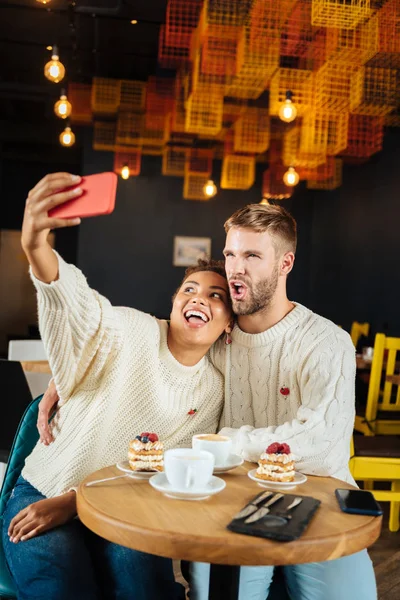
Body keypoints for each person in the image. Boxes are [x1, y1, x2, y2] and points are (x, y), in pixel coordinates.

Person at [2, 172, 233, 600]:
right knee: (63, 589)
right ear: (174, 303)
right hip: (46, 488)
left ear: (227, 327)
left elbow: (160, 474)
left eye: (217, 296)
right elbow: (86, 313)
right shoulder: (132, 329)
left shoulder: (213, 390)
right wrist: (37, 249)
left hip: (127, 510)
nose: (199, 297)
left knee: (145, 589)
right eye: (190, 289)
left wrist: (76, 504)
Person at [189, 203, 377, 600]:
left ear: (284, 263)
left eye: (252, 256)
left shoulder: (326, 341)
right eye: (230, 254)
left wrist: (229, 442)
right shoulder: (214, 337)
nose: (235, 269)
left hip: (322, 501)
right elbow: (150, 346)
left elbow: (322, 447)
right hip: (234, 503)